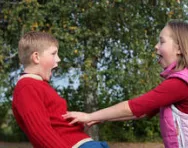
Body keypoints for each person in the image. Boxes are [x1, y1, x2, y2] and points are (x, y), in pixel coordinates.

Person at [63, 20, 188, 148]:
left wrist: (89, 116)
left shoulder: (179, 84)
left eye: (162, 41)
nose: (156, 46)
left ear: (179, 48)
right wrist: (100, 118)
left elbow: (132, 108)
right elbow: (142, 111)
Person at [12, 31, 109, 148]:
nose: (58, 59)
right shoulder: (27, 88)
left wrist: (79, 123)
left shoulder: (38, 85)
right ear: (36, 57)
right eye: (54, 54)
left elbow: (56, 124)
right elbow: (40, 131)